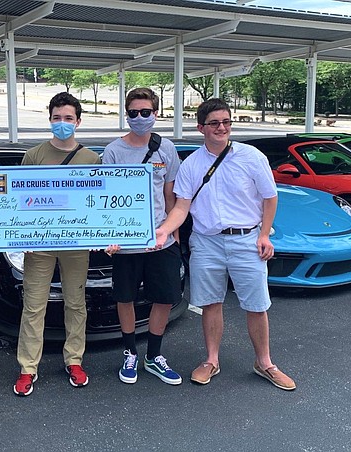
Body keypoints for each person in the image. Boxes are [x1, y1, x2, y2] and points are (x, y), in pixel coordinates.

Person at [154, 98, 296, 391]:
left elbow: (270, 197)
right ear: (201, 128)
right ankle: (211, 360)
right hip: (206, 242)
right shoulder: (192, 164)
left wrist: (265, 234)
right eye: (215, 123)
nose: (222, 128)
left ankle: (265, 362)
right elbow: (181, 207)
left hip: (246, 240)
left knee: (257, 305)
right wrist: (164, 231)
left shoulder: (251, 156)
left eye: (226, 122)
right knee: (210, 303)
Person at [13, 92, 101, 397]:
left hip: (76, 242)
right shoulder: (34, 155)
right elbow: (17, 199)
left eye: (68, 118)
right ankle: (27, 368)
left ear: (78, 121)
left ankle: (74, 360)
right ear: (49, 119)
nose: (62, 123)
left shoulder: (92, 159)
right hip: (40, 241)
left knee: (76, 303)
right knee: (33, 305)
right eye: (56, 118)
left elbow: (99, 203)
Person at [103, 88, 182, 386]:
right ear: (126, 114)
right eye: (133, 113)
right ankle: (130, 352)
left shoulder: (167, 149)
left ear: (155, 113)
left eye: (145, 112)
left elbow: (170, 194)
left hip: (160, 241)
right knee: (125, 298)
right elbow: (106, 198)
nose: (139, 117)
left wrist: (173, 233)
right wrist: (109, 235)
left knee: (164, 299)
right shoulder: (113, 151)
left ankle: (154, 355)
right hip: (125, 244)